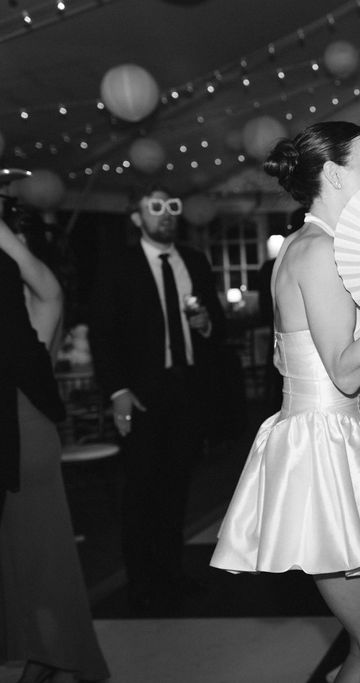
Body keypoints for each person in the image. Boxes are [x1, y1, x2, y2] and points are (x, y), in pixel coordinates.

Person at [210, 122, 360, 683]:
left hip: (343, 437)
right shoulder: (318, 251)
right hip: (324, 449)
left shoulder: (317, 244)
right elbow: (343, 371)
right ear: (336, 174)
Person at [89, 185, 226, 615]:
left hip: (187, 391)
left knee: (177, 488)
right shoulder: (118, 266)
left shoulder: (195, 262)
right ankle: (140, 582)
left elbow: (218, 327)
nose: (165, 215)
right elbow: (103, 334)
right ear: (137, 218)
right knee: (141, 491)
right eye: (155, 208)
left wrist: (205, 325)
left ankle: (172, 573)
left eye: (172, 207)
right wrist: (118, 392)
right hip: (141, 394)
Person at [0, 214, 109, 683]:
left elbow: (48, 292)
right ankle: (50, 655)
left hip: (23, 423)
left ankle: (56, 655)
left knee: (39, 550)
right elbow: (47, 293)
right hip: (24, 415)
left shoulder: (27, 340)